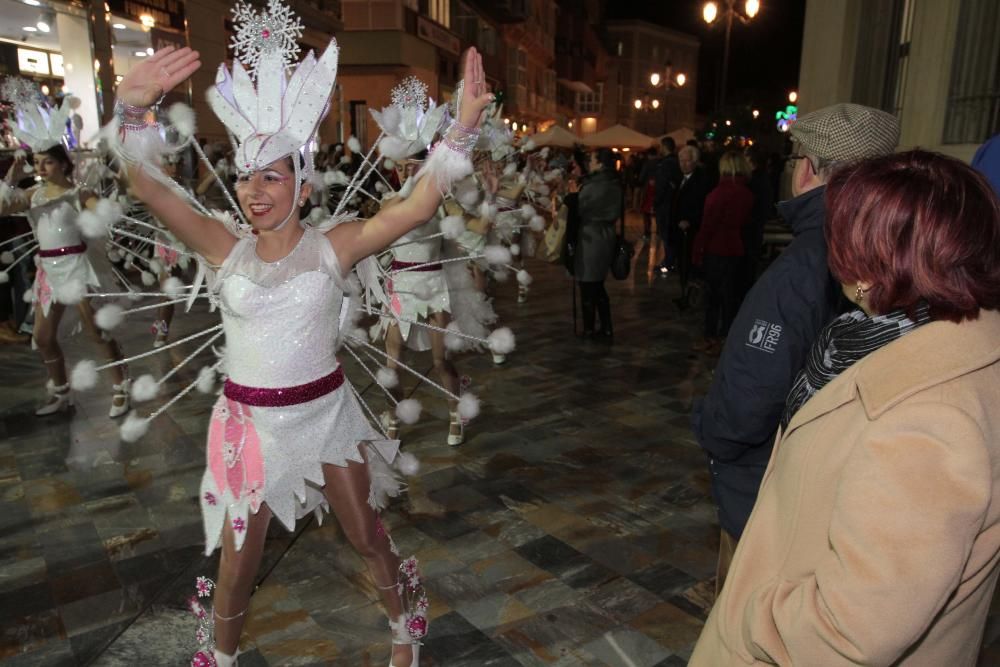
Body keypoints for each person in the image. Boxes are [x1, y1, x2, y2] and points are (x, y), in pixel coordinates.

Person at [112, 34, 494, 667]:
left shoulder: (333, 246)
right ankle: (223, 657)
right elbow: (149, 189)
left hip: (327, 419)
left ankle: (405, 622)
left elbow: (418, 204)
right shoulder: (222, 246)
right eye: (244, 175)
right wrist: (131, 115)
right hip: (250, 428)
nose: (253, 189)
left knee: (367, 536)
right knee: (238, 561)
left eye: (272, 175)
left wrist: (459, 130)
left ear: (304, 185)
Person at [690, 149, 1000, 666]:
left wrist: (750, 616)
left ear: (875, 261)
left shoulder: (931, 420)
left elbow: (852, 627)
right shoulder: (896, 336)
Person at [691, 103, 900, 595]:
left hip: (766, 482)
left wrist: (711, 430)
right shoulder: (885, 246)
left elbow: (749, 392)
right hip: (831, 481)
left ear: (806, 168)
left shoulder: (802, 266)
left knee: (746, 615)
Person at [0, 140, 131, 418]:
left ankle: (121, 385)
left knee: (96, 331)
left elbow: (106, 215)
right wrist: (11, 179)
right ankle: (61, 391)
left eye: (46, 161)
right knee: (44, 337)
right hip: (48, 271)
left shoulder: (79, 194)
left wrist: (112, 200)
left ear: (62, 163)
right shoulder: (32, 195)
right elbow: (2, 208)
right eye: (35, 162)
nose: (40, 168)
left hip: (76, 269)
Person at [692, 151, 753, 355]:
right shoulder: (746, 193)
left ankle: (711, 337)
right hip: (736, 248)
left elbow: (707, 226)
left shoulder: (718, 194)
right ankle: (726, 337)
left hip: (716, 249)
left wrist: (697, 251)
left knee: (712, 298)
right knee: (729, 297)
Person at [566, 148, 622, 341]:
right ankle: (604, 328)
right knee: (596, 284)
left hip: (592, 237)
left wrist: (572, 196)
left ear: (600, 163)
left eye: (592, 160)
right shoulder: (610, 182)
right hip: (602, 235)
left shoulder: (600, 184)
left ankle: (592, 329)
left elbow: (580, 206)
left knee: (589, 284)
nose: (589, 162)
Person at [671, 144, 707, 309]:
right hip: (679, 229)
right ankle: (683, 293)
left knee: (689, 265)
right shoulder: (680, 178)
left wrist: (690, 221)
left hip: (691, 231)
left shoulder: (701, 180)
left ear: (694, 162)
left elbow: (701, 205)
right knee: (682, 264)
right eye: (681, 161)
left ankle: (689, 296)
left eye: (686, 161)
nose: (683, 164)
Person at [740, 145, 774, 301]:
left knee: (746, 271)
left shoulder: (753, 180)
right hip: (755, 229)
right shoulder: (763, 178)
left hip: (749, 230)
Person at [653, 136, 682, 273]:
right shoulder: (676, 162)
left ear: (664, 147)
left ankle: (668, 263)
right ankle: (671, 261)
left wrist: (656, 202)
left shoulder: (666, 164)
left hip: (665, 205)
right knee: (669, 234)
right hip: (673, 204)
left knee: (666, 234)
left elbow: (662, 186)